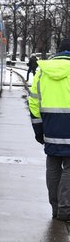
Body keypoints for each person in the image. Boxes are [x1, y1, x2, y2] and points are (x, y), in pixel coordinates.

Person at [29, 38, 70, 221]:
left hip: (51, 129)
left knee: (53, 167)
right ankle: (65, 209)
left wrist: (38, 130)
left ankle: (55, 208)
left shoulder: (42, 72)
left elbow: (34, 103)